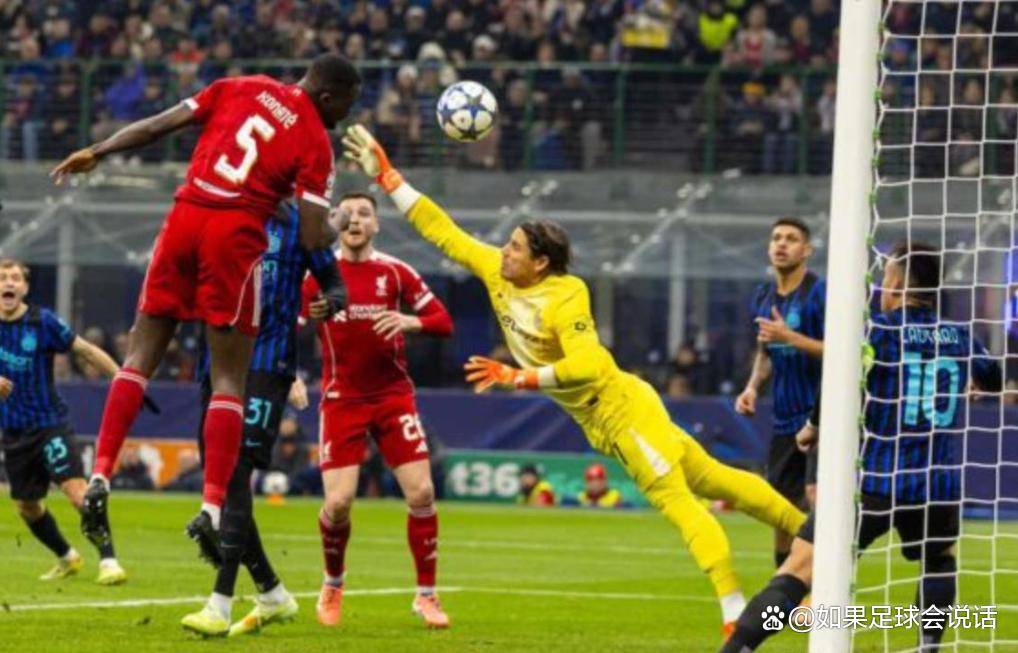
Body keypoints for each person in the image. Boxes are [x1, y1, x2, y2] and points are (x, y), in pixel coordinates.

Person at [342, 125, 807, 636]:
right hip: (600, 420)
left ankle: (732, 606)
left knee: (676, 500)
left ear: (540, 262)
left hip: (621, 409)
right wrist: (388, 177)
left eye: (515, 248)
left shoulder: (566, 295)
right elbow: (443, 231)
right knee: (712, 478)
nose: (503, 251)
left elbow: (587, 365)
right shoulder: (498, 271)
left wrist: (518, 377)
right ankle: (817, 541)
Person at [49, 54, 360, 564]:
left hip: (184, 217)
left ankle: (100, 473)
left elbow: (159, 124)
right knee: (229, 378)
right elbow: (311, 236)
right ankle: (211, 509)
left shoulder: (241, 85)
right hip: (233, 236)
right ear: (329, 95)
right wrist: (341, 219)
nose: (346, 114)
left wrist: (98, 150)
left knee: (139, 356)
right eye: (348, 103)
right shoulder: (315, 142)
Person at [721, 241, 1003, 652]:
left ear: (897, 284)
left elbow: (837, 380)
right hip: (936, 482)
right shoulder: (960, 335)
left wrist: (812, 428)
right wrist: (973, 381)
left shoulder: (877, 331)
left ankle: (737, 649)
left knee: (799, 568)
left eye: (886, 277)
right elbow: (993, 378)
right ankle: (929, 646)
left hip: (875, 480)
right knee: (939, 559)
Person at [181, 200, 347, 637]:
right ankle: (272, 593)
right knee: (221, 477)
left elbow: (335, 286)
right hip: (217, 365)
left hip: (267, 364)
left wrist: (328, 304)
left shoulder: (300, 225)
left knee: (236, 469)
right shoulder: (221, 216)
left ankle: (219, 604)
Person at [301, 191, 454, 629]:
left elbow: (443, 322)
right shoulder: (316, 276)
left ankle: (426, 596)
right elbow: (289, 326)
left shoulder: (395, 272)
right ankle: (333, 582)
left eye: (364, 213)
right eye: (347, 214)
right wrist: (291, 374)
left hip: (391, 396)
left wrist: (411, 321)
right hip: (342, 398)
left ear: (376, 225)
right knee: (338, 502)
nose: (355, 220)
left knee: (422, 494)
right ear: (335, 223)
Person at [0, 259, 128, 585]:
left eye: (15, 278)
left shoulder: (42, 322)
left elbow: (86, 351)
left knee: (76, 492)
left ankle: (109, 561)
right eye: (2, 278)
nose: (9, 283)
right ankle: (67, 557)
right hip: (13, 430)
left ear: (25, 287)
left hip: (49, 423)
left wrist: (124, 380)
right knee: (27, 506)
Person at [735, 217, 824, 569]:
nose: (781, 244)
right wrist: (752, 387)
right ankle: (786, 585)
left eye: (791, 238)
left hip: (821, 418)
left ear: (807, 250)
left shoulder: (820, 293)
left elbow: (844, 351)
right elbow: (766, 351)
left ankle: (820, 584)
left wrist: (792, 338)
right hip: (784, 419)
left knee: (817, 501)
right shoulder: (763, 296)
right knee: (781, 511)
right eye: (776, 238)